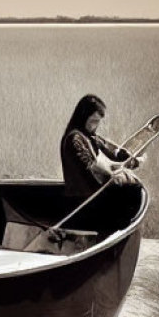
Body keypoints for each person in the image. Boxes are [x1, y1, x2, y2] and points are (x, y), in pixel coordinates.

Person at [59, 94, 142, 232]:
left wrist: (132, 159)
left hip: (93, 196)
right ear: (83, 116)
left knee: (133, 189)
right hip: (83, 200)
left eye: (97, 122)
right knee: (131, 192)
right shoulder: (75, 139)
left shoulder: (90, 136)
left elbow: (113, 152)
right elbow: (93, 166)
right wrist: (116, 171)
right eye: (92, 122)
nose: (95, 126)